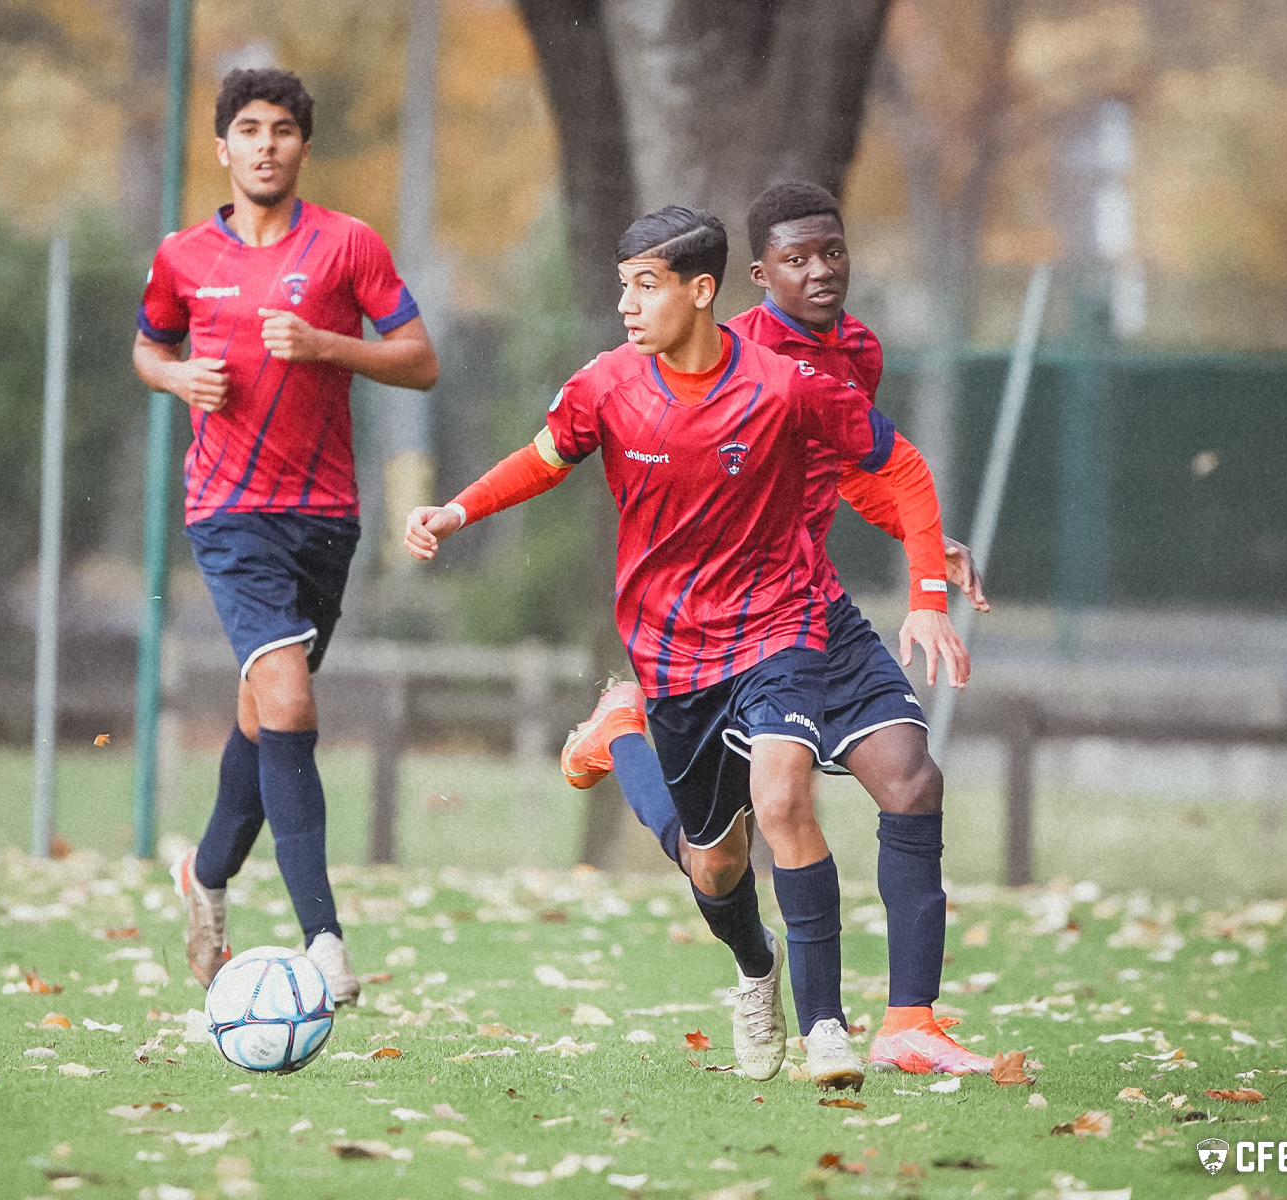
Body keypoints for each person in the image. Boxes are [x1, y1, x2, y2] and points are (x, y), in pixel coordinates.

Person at [405, 206, 944, 1089]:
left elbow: (901, 466)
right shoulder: (607, 385)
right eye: (623, 285)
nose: (626, 303)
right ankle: (739, 940)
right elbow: (544, 458)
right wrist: (458, 509)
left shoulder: (785, 387)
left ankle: (827, 1032)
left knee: (781, 795)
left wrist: (926, 589)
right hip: (671, 655)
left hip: (781, 628)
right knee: (714, 863)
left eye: (645, 285)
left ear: (701, 292)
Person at [558, 181, 998, 1080]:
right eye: (795, 259)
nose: (820, 271)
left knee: (912, 782)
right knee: (719, 859)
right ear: (753, 278)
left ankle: (908, 1021)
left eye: (831, 252)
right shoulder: (735, 352)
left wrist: (917, 542)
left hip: (810, 608)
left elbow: (849, 467)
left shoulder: (854, 351)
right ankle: (627, 738)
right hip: (735, 629)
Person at [133, 67, 439, 1001]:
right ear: (222, 147)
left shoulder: (348, 247)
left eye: (283, 131)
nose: (266, 145)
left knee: (265, 712)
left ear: (305, 147)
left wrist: (325, 346)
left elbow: (421, 362)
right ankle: (326, 943)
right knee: (293, 706)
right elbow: (149, 345)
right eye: (249, 129)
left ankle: (207, 871)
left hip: (325, 517)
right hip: (228, 512)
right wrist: (177, 379)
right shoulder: (184, 256)